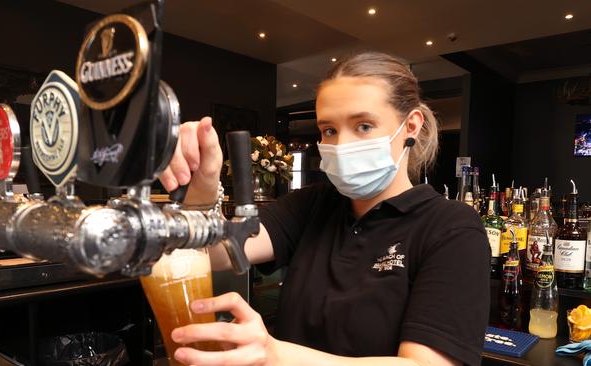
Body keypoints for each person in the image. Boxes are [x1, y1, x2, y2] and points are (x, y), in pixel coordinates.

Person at [159, 52, 490, 366]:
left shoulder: (452, 229)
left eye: (363, 126)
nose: (341, 144)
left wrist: (274, 354)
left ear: (412, 126)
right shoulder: (313, 205)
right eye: (329, 130)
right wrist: (201, 188)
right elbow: (215, 252)